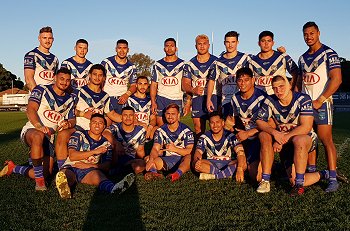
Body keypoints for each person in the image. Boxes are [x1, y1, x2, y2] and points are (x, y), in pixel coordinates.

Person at [0, 68, 75, 191]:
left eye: (67, 80)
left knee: (47, 173)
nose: (64, 82)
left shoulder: (70, 99)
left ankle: (13, 168)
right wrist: (38, 126)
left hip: (49, 137)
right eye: (61, 78)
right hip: (32, 130)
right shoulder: (41, 89)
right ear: (55, 78)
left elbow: (72, 120)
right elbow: (31, 109)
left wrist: (68, 124)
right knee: (38, 136)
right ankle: (40, 184)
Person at [256, 75, 328, 196]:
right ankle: (326, 174)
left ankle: (299, 185)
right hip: (285, 142)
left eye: (281, 86)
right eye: (275, 88)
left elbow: (306, 127)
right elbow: (259, 121)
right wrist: (275, 133)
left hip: (304, 139)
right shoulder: (270, 100)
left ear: (289, 85)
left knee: (300, 139)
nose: (279, 91)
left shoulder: (303, 99)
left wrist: (282, 138)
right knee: (264, 134)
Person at [298, 21, 343, 192]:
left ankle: (332, 178)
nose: (308, 37)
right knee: (310, 140)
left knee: (326, 140)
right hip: (306, 107)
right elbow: (300, 83)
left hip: (322, 104)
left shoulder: (329, 53)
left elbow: (336, 79)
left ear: (318, 33)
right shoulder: (302, 58)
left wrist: (321, 99)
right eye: (305, 34)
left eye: (311, 33)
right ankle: (312, 172)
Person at [55, 64, 122, 171]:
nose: (97, 77)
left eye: (100, 75)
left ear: (104, 78)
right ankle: (62, 169)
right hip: (79, 127)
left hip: (97, 130)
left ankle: (113, 168)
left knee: (111, 138)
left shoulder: (105, 96)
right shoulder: (78, 92)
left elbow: (112, 114)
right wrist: (82, 114)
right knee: (62, 135)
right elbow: (68, 109)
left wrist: (132, 120)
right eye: (94, 74)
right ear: (89, 75)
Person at [55, 114, 135, 199]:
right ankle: (64, 189)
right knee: (65, 176)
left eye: (100, 123)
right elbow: (72, 156)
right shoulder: (79, 135)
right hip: (72, 165)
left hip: (89, 170)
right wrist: (95, 151)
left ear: (104, 126)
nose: (97, 125)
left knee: (98, 176)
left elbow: (106, 166)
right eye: (94, 122)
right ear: (89, 124)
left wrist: (89, 166)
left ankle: (114, 189)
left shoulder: (106, 144)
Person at [225, 67, 266, 182]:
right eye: (239, 80)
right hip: (246, 137)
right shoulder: (235, 98)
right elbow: (230, 120)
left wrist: (248, 133)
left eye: (246, 80)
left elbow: (270, 124)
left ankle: (269, 164)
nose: (242, 83)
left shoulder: (262, 98)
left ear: (253, 80)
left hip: (260, 136)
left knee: (255, 176)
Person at [144, 104, 194, 182]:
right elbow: (155, 149)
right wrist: (151, 159)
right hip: (166, 160)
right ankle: (154, 173)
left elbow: (190, 150)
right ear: (165, 115)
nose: (170, 116)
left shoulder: (186, 131)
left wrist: (174, 149)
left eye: (173, 114)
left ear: (178, 115)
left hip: (182, 160)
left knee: (189, 157)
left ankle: (176, 174)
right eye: (168, 113)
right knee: (148, 158)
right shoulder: (160, 131)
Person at [207, 31, 251, 119]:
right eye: (228, 42)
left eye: (233, 42)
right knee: (228, 128)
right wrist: (208, 99)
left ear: (237, 43)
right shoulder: (218, 62)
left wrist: (281, 53)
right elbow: (211, 81)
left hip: (243, 98)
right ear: (224, 43)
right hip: (226, 100)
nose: (230, 45)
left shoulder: (245, 59)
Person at [182, 34, 218, 140]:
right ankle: (200, 153)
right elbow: (185, 84)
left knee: (216, 127)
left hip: (214, 97)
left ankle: (215, 153)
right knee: (198, 128)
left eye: (204, 44)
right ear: (195, 46)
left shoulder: (216, 62)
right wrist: (193, 90)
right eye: (199, 44)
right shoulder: (190, 64)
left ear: (209, 45)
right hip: (198, 98)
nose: (202, 46)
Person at [193, 111, 246, 182]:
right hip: (211, 163)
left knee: (244, 164)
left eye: (217, 122)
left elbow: (240, 151)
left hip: (228, 162)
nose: (215, 125)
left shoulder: (230, 135)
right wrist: (197, 161)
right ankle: (227, 174)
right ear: (209, 124)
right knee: (197, 166)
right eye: (212, 123)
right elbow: (198, 152)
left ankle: (214, 176)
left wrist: (239, 168)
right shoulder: (204, 136)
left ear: (223, 123)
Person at [150, 38, 188, 126]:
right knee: (161, 127)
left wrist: (188, 102)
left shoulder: (183, 65)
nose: (169, 48)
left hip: (176, 98)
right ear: (164, 49)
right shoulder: (157, 65)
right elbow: (153, 85)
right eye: (167, 46)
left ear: (176, 48)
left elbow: (187, 84)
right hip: (161, 98)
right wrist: (153, 102)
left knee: (174, 127)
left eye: (172, 46)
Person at [249, 30, 299, 95]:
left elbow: (296, 72)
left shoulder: (282, 57)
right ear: (259, 43)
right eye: (263, 41)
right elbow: (250, 81)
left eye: (269, 41)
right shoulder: (252, 61)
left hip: (279, 98)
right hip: (260, 99)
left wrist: (290, 87)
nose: (266, 44)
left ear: (273, 43)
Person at [104, 106, 147, 174]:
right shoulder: (115, 127)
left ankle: (118, 171)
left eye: (130, 115)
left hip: (129, 159)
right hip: (114, 157)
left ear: (134, 117)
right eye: (125, 115)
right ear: (121, 117)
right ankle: (117, 169)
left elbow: (140, 150)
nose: (128, 118)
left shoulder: (141, 131)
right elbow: (105, 133)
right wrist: (116, 143)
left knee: (140, 165)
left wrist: (143, 160)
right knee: (111, 146)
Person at [101, 39, 137, 115]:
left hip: (122, 99)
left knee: (120, 124)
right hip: (107, 97)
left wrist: (126, 95)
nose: (122, 50)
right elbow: (100, 80)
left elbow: (134, 86)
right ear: (116, 49)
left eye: (124, 48)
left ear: (128, 50)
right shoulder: (106, 63)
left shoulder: (132, 67)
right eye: (119, 48)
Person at [24, 26, 59, 91]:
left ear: (53, 39)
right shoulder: (31, 55)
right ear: (39, 38)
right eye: (44, 38)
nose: (47, 41)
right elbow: (28, 80)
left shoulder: (55, 59)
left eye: (50, 38)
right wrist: (38, 96)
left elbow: (55, 80)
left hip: (52, 98)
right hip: (37, 98)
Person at [125, 76, 157, 140]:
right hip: (134, 128)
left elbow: (153, 118)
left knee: (158, 129)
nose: (142, 86)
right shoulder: (129, 99)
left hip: (147, 128)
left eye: (145, 84)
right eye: (140, 84)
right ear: (136, 85)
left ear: (148, 85)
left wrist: (150, 128)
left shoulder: (151, 100)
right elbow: (126, 118)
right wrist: (141, 124)